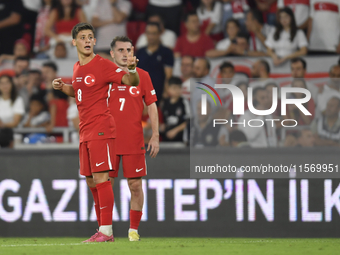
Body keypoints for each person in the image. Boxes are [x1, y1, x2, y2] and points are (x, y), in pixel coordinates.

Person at [52, 22, 139, 242]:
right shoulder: (77, 68)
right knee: (91, 181)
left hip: (101, 128)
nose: (88, 40)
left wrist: (131, 68)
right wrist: (64, 88)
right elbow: (80, 93)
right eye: (83, 37)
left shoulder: (102, 64)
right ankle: (102, 228)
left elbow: (131, 81)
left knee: (101, 178)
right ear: (74, 42)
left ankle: (106, 231)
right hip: (85, 130)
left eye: (91, 37)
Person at [108, 35, 159, 241]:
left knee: (135, 185)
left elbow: (152, 105)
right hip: (107, 140)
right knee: (105, 185)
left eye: (128, 50)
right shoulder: (104, 75)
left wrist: (155, 135)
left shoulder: (142, 76)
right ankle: (105, 229)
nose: (125, 54)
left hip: (133, 139)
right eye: (120, 50)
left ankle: (133, 231)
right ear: (112, 53)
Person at [136, 22, 174, 102]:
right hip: (141, 94)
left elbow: (168, 75)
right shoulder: (140, 52)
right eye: (149, 33)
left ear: (159, 34)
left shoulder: (166, 52)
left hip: (158, 93)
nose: (151, 36)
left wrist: (165, 92)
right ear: (145, 34)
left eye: (154, 33)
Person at [160, 77, 190, 142]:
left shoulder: (184, 102)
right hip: (165, 139)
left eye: (179, 88)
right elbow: (161, 120)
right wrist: (161, 126)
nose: (177, 91)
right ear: (168, 89)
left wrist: (175, 131)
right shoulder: (164, 103)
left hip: (180, 139)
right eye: (174, 88)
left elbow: (189, 121)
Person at [0, 75, 25, 148]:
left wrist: (3, 125)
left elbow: (15, 122)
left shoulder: (18, 100)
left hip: (14, 136)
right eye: (2, 83)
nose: (5, 86)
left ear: (11, 84)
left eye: (7, 83)